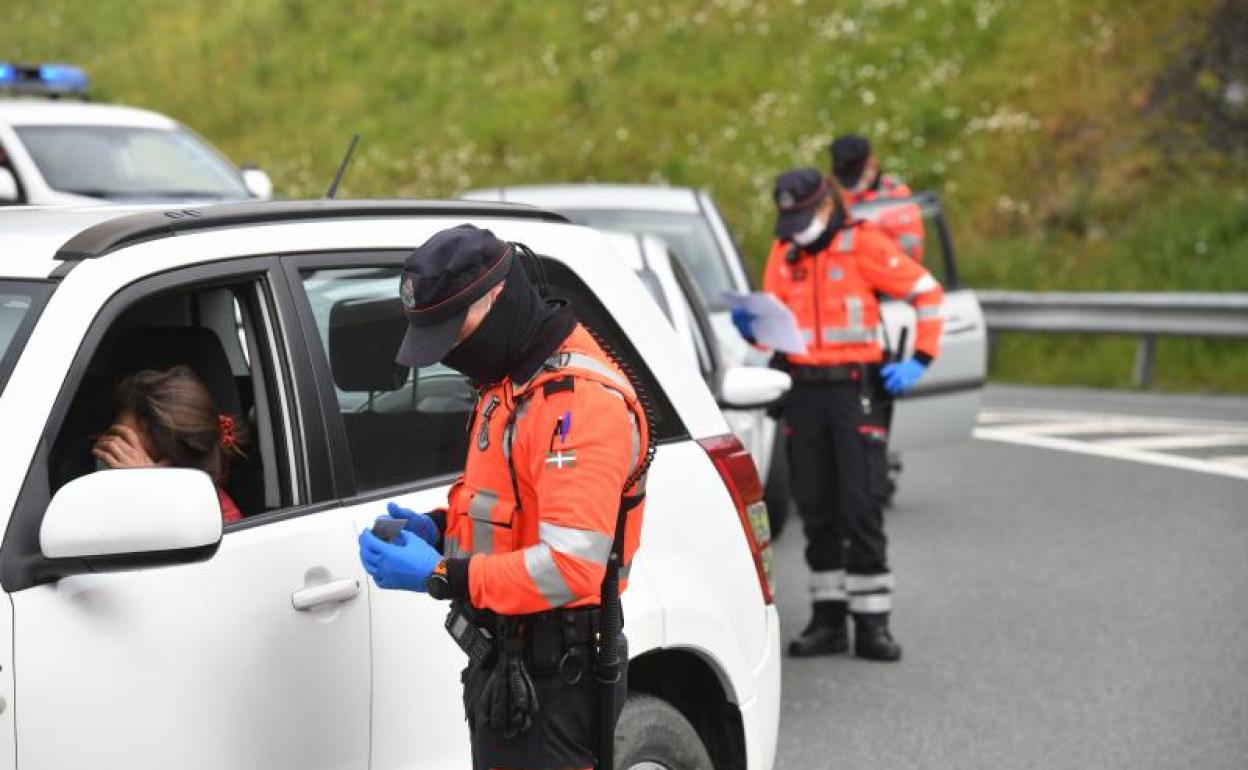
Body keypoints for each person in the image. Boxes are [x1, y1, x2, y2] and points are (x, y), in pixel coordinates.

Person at [356, 225, 650, 770]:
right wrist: (440, 527)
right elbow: (511, 513)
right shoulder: (510, 382)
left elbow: (569, 567)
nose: (449, 354)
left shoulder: (575, 405)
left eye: (453, 331)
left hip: (556, 678)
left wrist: (443, 574)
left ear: (497, 295)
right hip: (510, 668)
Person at [732, 168, 944, 661]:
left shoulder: (863, 244)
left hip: (855, 391)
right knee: (817, 507)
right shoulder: (784, 253)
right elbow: (774, 326)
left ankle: (873, 623)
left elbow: (927, 294)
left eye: (803, 216)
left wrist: (920, 360)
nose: (796, 227)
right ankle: (828, 620)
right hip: (804, 392)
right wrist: (750, 328)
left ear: (826, 206)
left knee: (860, 505)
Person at [91, 365, 247, 522]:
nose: (108, 448)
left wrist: (149, 494)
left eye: (124, 450)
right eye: (112, 436)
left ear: (170, 468)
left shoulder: (219, 521)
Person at [830, 133, 925, 262]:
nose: (850, 189)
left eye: (856, 178)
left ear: (871, 162)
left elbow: (911, 250)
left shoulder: (896, 197)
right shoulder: (829, 193)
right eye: (844, 179)